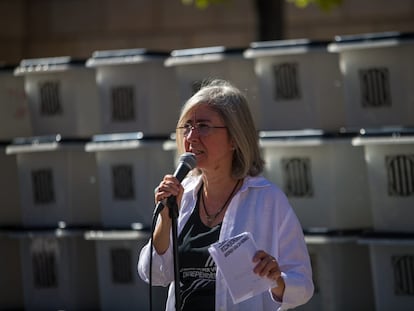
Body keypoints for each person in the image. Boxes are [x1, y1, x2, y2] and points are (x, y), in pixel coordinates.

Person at [138, 79, 314, 311]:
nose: (191, 137)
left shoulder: (268, 200)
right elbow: (153, 274)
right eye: (187, 127)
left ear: (234, 138)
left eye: (203, 126)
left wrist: (277, 279)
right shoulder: (183, 196)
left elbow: (302, 287)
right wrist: (165, 219)